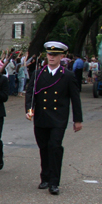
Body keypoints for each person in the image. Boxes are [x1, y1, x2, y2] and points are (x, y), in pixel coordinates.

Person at [25, 41, 83, 195]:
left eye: (55, 55)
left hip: (58, 118)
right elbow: (30, 93)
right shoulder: (38, 74)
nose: (51, 57)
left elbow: (75, 98)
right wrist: (29, 109)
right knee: (44, 148)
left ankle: (54, 182)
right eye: (50, 54)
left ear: (61, 56)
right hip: (41, 117)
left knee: (55, 147)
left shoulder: (67, 75)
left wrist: (77, 120)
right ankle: (45, 177)